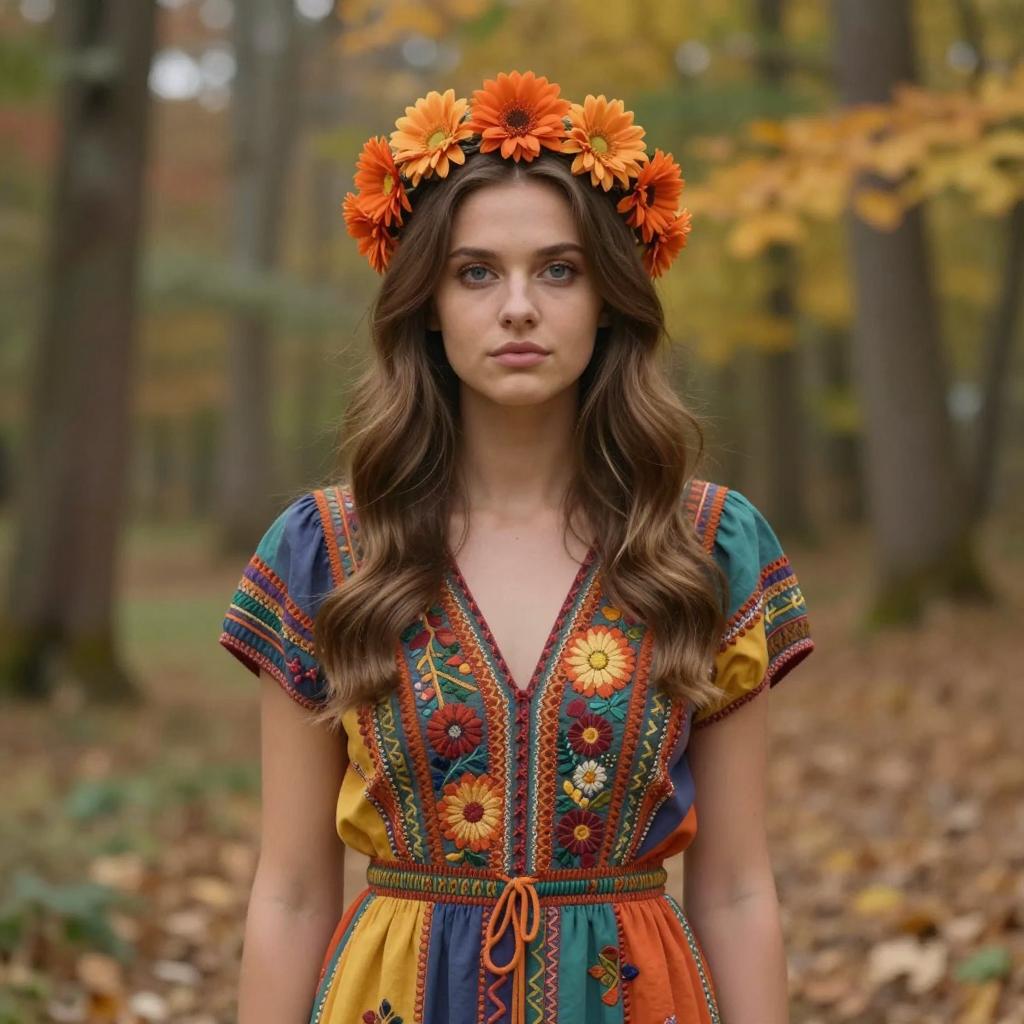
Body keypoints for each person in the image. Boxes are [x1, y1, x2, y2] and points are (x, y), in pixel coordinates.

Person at [219, 70, 815, 1024]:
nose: (519, 307)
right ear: (427, 301)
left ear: (609, 296)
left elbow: (738, 887)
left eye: (559, 270)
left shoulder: (703, 546)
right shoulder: (331, 552)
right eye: (476, 272)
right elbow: (291, 891)